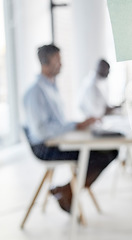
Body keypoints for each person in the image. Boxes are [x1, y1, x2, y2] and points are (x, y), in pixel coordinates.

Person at [24, 44, 118, 213]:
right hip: (46, 148)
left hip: (57, 141)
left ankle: (66, 190)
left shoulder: (52, 87)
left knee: (111, 150)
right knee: (103, 152)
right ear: (46, 62)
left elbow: (57, 124)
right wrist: (75, 126)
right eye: (58, 60)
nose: (61, 64)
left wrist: (77, 125)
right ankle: (67, 191)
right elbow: (41, 131)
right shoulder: (35, 92)